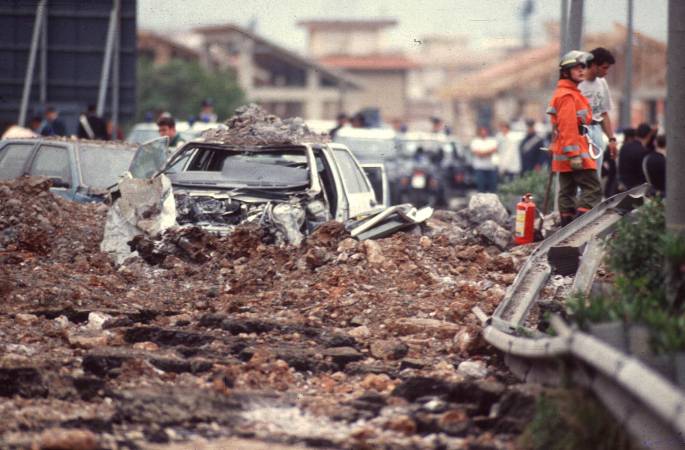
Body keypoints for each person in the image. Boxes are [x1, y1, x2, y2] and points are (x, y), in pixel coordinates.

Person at [547, 50, 601, 227]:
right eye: (576, 68)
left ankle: (567, 227)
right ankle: (578, 226)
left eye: (582, 68)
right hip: (574, 149)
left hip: (564, 151)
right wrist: (574, 154)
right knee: (592, 189)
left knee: (567, 190)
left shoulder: (566, 93)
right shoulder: (567, 95)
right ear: (566, 72)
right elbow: (568, 125)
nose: (581, 71)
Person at [578, 47, 618, 178]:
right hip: (578, 131)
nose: (606, 72)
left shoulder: (602, 83)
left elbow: (604, 113)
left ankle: (593, 198)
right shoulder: (578, 82)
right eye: (604, 68)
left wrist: (612, 139)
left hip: (596, 129)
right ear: (594, 65)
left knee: (595, 174)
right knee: (580, 174)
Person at [618, 123, 652, 190]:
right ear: (648, 135)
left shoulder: (624, 147)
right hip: (637, 190)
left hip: (623, 189)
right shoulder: (643, 152)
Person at [470, 126, 498, 193]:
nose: (483, 133)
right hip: (480, 167)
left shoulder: (492, 141)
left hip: (491, 167)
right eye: (482, 131)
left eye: (485, 131)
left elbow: (494, 150)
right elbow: (478, 154)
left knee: (493, 188)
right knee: (481, 188)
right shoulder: (475, 141)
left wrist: (482, 152)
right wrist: (488, 152)